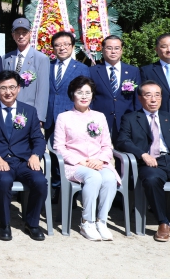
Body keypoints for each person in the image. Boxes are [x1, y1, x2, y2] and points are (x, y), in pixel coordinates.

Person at [0, 70, 48, 241]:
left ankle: (32, 223)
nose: (8, 92)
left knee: (40, 182)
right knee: (4, 181)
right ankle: (5, 224)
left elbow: (38, 138)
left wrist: (36, 155)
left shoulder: (29, 111)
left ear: (19, 88)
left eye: (12, 87)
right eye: (3, 88)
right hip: (0, 162)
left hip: (24, 161)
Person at [53, 76, 121, 241]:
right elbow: (58, 147)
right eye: (79, 92)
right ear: (72, 94)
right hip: (75, 165)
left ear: (92, 95)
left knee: (110, 178)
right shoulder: (64, 117)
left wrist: (100, 160)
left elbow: (106, 145)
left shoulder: (99, 117)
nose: (84, 96)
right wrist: (81, 161)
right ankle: (87, 221)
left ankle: (101, 221)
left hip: (98, 162)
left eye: (87, 93)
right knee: (93, 177)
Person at [116, 80, 170, 241]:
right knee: (152, 180)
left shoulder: (168, 117)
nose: (153, 99)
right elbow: (122, 141)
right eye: (148, 95)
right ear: (140, 98)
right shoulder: (131, 118)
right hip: (150, 162)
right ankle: (163, 222)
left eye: (157, 95)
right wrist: (143, 154)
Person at [90, 35, 141, 143]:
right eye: (109, 48)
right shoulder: (93, 71)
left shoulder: (133, 71)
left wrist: (137, 120)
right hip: (99, 121)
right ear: (102, 50)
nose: (113, 51)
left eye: (117, 48)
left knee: (125, 155)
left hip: (126, 121)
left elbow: (137, 99)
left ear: (121, 50)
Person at [3, 18, 49, 124]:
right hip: (8, 112)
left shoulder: (41, 59)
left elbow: (43, 91)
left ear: (30, 33)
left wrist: (39, 118)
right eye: (17, 33)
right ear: (12, 35)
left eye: (24, 32)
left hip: (30, 114)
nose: (21, 36)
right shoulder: (6, 58)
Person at [45, 31, 90, 138]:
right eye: (58, 45)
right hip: (49, 119)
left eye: (66, 44)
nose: (62, 48)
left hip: (72, 118)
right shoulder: (47, 66)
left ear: (73, 46)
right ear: (53, 48)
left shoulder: (82, 68)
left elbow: (87, 95)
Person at [140, 33, 170, 113]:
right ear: (156, 49)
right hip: (159, 118)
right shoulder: (146, 71)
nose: (169, 50)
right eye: (164, 46)